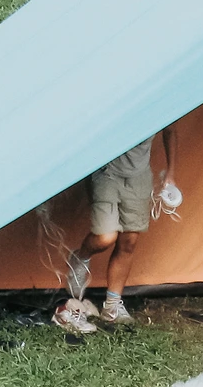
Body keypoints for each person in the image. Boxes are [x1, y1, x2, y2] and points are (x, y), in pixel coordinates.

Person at [55, 128, 176, 332]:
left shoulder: (157, 101)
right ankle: (80, 257)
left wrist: (171, 173)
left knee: (129, 241)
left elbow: (171, 131)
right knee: (105, 237)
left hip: (139, 176)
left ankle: (112, 306)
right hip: (107, 172)